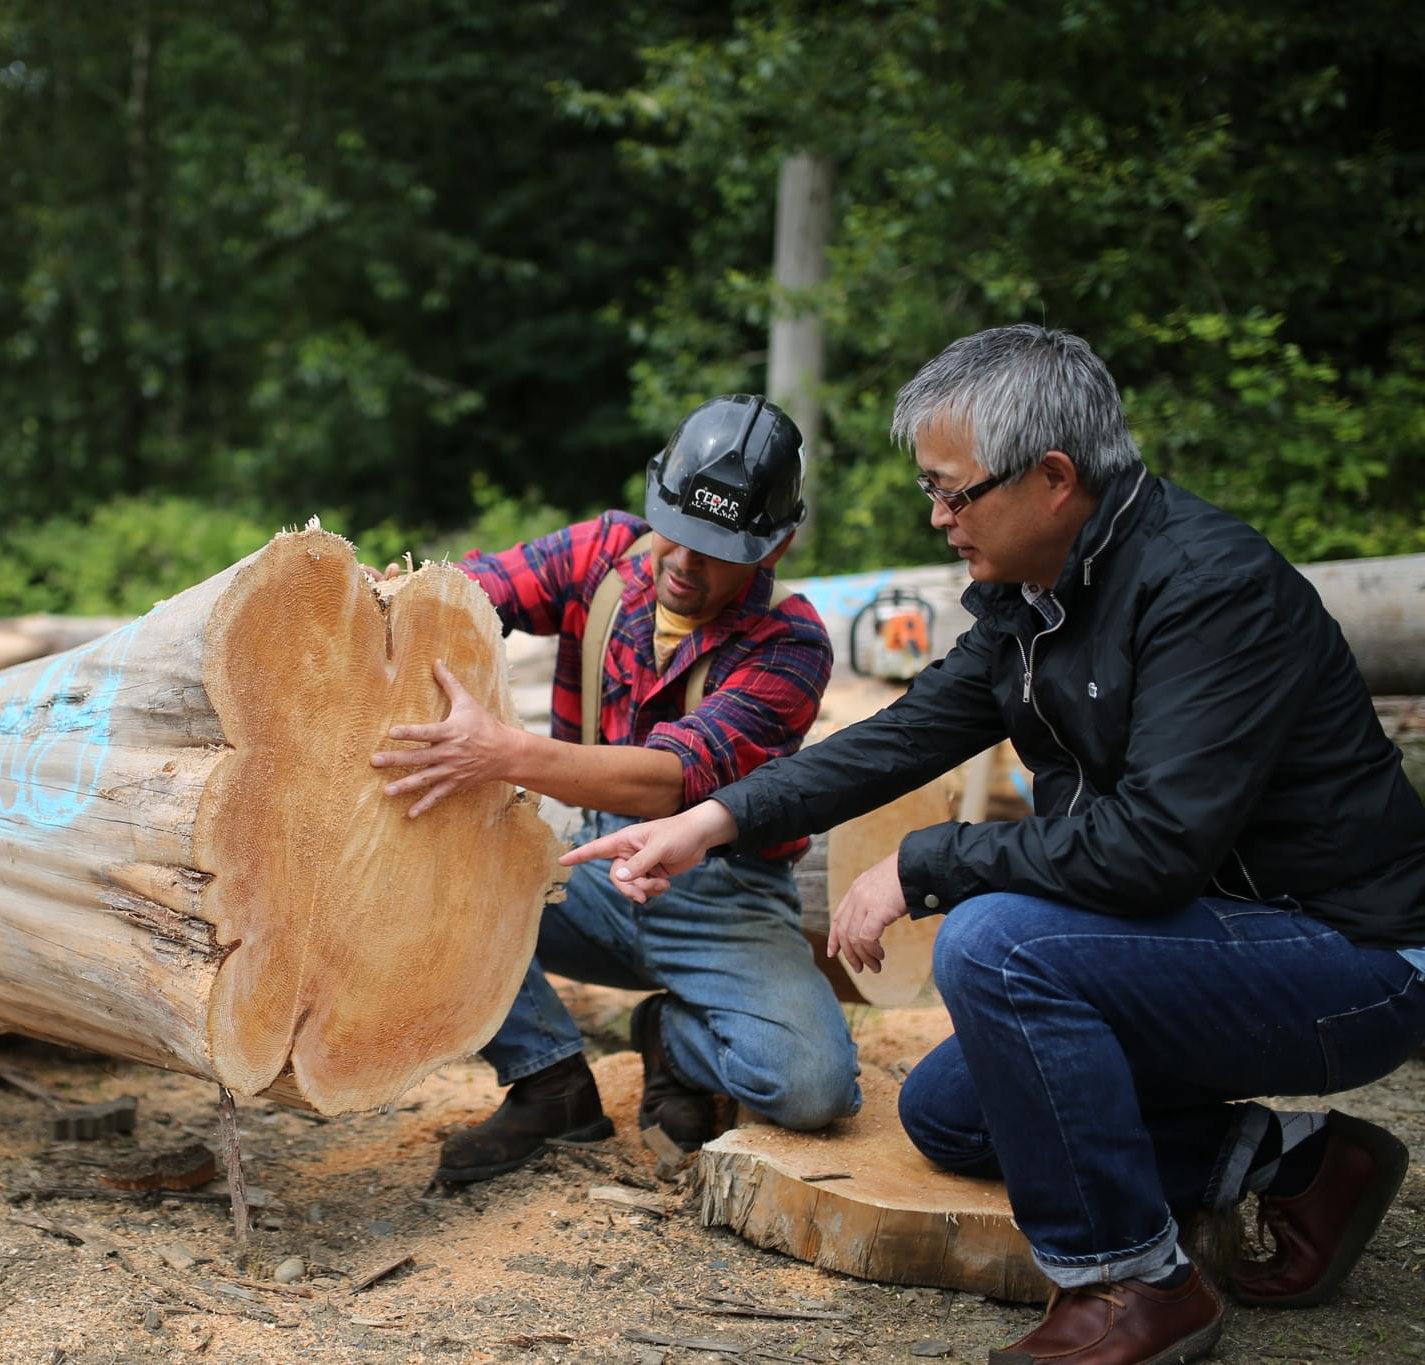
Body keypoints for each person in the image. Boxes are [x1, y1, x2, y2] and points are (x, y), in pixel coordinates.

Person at [565, 325, 1425, 1365]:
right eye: (930, 489)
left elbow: (1152, 849)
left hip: (1347, 955)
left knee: (995, 944)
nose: (936, 517)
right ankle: (1296, 1162)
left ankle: (1130, 1285)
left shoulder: (1209, 590)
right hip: (1208, 932)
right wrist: (712, 820)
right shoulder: (1039, 598)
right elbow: (900, 736)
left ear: (1052, 479)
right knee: (953, 1115)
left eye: (952, 491)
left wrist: (925, 864)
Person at [370, 394, 861, 1185]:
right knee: (407, 873)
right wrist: (389, 602)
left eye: (717, 550)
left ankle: (674, 1036)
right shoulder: (601, 554)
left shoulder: (791, 642)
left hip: (723, 897)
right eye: (677, 532)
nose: (685, 563)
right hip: (590, 871)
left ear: (777, 544)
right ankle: (551, 1080)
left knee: (813, 1087)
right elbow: (464, 593)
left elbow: (670, 779)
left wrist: (501, 752)